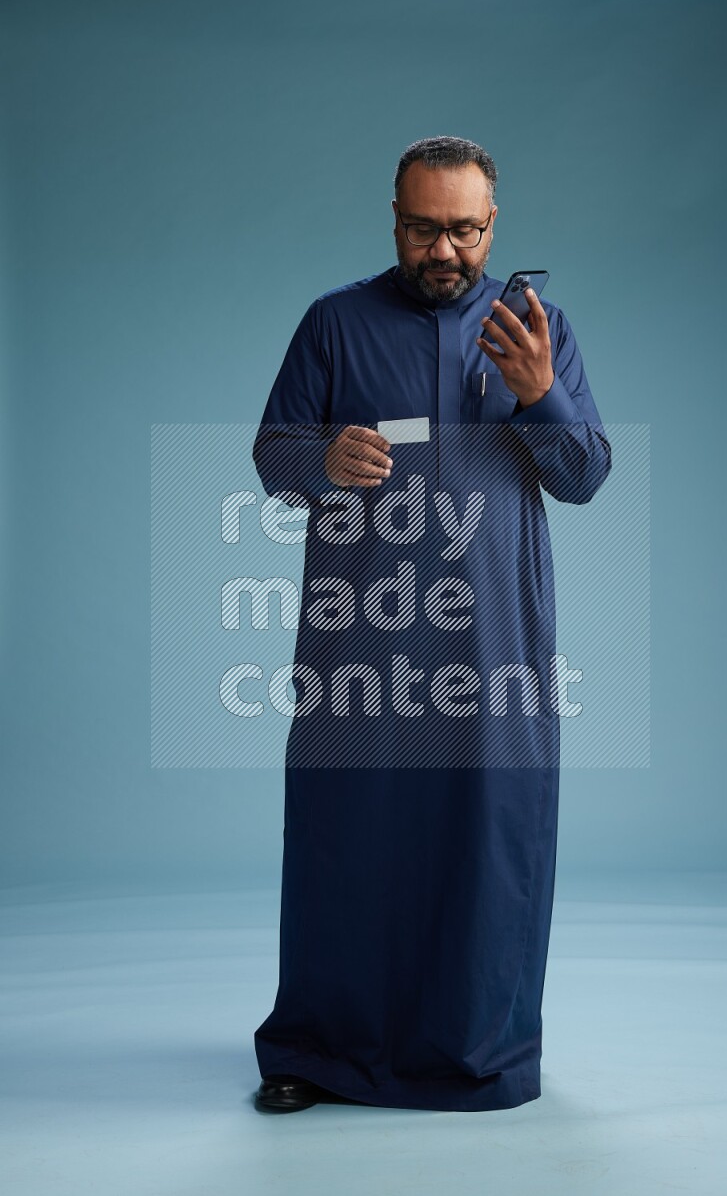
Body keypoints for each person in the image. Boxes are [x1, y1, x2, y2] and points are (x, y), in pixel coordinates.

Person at [251, 136, 611, 1113]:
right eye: (421, 228)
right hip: (359, 639)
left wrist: (540, 393)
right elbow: (271, 449)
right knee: (342, 839)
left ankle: (478, 1052)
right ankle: (315, 1052)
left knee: (486, 842)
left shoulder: (538, 327)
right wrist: (323, 456)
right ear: (394, 221)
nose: (441, 249)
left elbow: (582, 474)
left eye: (460, 228)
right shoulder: (334, 325)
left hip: (491, 648)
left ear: (492, 224)